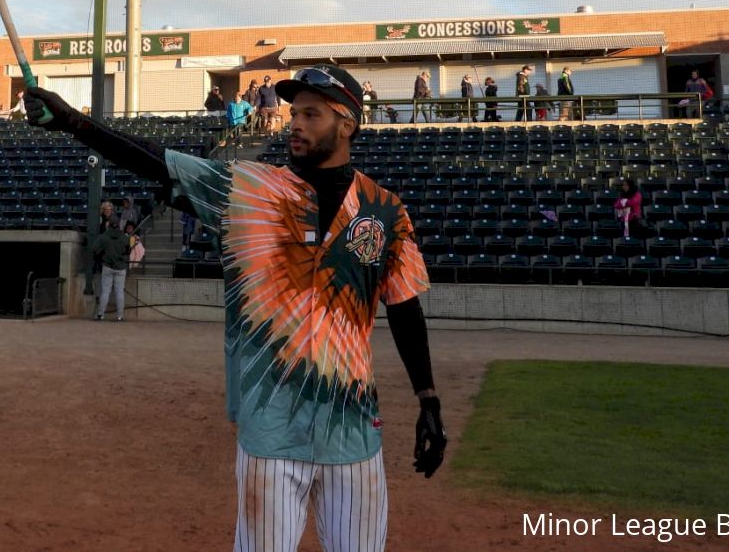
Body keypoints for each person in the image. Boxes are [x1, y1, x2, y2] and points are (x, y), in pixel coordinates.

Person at [22, 62, 447, 550]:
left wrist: (428, 400)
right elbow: (154, 160)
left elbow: (405, 307)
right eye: (294, 114)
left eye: (311, 115)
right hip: (269, 430)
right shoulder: (249, 189)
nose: (296, 125)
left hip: (351, 430)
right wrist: (75, 122)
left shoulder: (386, 211)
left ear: (346, 124)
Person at [92, 218, 131, 321]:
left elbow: (95, 249)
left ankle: (100, 314)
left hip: (107, 266)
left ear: (109, 226)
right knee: (119, 292)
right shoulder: (124, 237)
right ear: (119, 226)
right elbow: (128, 251)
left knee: (105, 291)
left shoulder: (104, 236)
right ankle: (120, 316)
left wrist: (101, 256)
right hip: (121, 267)